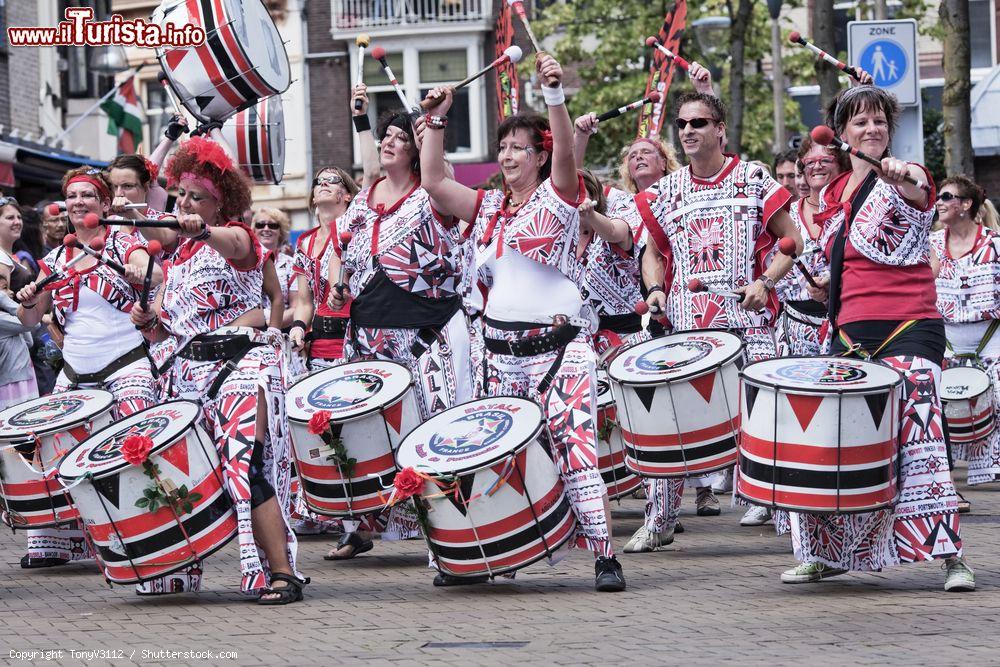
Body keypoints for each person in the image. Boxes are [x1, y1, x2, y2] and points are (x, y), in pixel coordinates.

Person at [420, 53, 627, 592]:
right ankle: (491, 556)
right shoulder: (488, 207)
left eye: (519, 148)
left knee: (576, 446)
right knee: (492, 456)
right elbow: (434, 182)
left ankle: (604, 555)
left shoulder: (558, 199)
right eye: (503, 147)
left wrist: (554, 96)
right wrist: (438, 121)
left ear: (539, 157)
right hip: (496, 355)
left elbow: (565, 155)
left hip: (559, 351)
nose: (508, 155)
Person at [785, 85, 974, 592]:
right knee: (835, 442)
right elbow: (846, 261)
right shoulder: (830, 197)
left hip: (910, 327)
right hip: (849, 332)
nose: (871, 130)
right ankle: (826, 553)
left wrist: (904, 174)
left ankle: (950, 555)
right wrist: (825, 281)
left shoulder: (908, 176)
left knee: (920, 434)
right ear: (842, 135)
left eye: (879, 123)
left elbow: (916, 189)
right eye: (860, 123)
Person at [129, 136, 307, 604]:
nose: (186, 204)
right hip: (187, 373)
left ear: (220, 201)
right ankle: (177, 567)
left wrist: (202, 230)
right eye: (181, 194)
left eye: (197, 197)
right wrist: (149, 321)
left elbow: (237, 248)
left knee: (246, 463)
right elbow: (170, 329)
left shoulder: (237, 235)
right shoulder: (175, 258)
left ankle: (283, 573)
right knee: (192, 471)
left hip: (240, 366)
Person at [638, 92, 802, 530]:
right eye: (682, 124)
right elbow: (652, 252)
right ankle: (659, 523)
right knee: (672, 425)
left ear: (720, 130)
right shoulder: (666, 191)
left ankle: (790, 521)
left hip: (750, 324)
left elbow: (793, 241)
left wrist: (765, 282)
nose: (688, 130)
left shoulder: (753, 178)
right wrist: (655, 290)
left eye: (699, 122)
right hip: (690, 331)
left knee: (770, 418)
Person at [572, 87, 724, 552]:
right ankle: (640, 501)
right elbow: (571, 179)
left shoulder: (651, 202)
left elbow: (620, 235)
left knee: (671, 412)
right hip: (597, 330)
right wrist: (577, 135)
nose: (639, 157)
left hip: (648, 322)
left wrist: (594, 218)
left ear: (665, 163)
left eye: (648, 152)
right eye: (632, 153)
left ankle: (697, 493)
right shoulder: (614, 198)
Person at [324, 90, 473, 562]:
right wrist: (338, 283)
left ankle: (449, 540)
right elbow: (340, 249)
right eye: (383, 136)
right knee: (369, 432)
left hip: (426, 332)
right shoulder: (363, 201)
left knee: (436, 430)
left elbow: (438, 171)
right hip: (368, 330)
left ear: (415, 149)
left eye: (398, 138)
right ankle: (364, 523)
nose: (388, 142)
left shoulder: (432, 192)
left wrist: (434, 121)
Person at [15, 167, 158, 570]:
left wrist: (140, 270)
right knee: (49, 448)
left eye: (88, 196)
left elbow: (154, 272)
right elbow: (30, 321)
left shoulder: (123, 241)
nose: (79, 202)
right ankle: (62, 540)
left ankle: (143, 536)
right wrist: (28, 297)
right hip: (75, 373)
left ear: (105, 205)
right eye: (72, 196)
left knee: (135, 452)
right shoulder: (56, 258)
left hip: (126, 367)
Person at [930, 176, 1000, 495]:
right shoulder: (929, 246)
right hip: (946, 341)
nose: (939, 202)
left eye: (947, 197)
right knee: (946, 409)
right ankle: (947, 478)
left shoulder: (995, 245)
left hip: (990, 338)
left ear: (967, 204)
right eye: (938, 197)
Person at [773, 134, 850, 359]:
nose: (817, 166)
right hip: (793, 331)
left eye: (825, 160)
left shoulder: (854, 213)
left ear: (842, 164)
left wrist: (832, 286)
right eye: (809, 162)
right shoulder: (785, 217)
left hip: (844, 330)